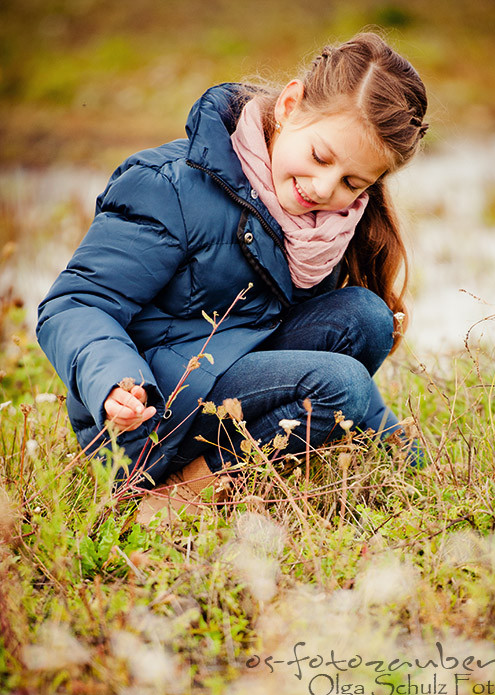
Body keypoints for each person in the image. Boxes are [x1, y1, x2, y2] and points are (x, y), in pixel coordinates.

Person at [36, 31, 428, 522]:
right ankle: (175, 498)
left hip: (234, 381)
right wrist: (116, 381)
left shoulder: (326, 226)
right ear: (289, 105)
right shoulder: (169, 185)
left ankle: (240, 470)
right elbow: (74, 303)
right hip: (150, 414)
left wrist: (405, 456)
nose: (325, 188)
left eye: (352, 181)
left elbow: (293, 338)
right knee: (339, 384)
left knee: (368, 317)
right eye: (321, 157)